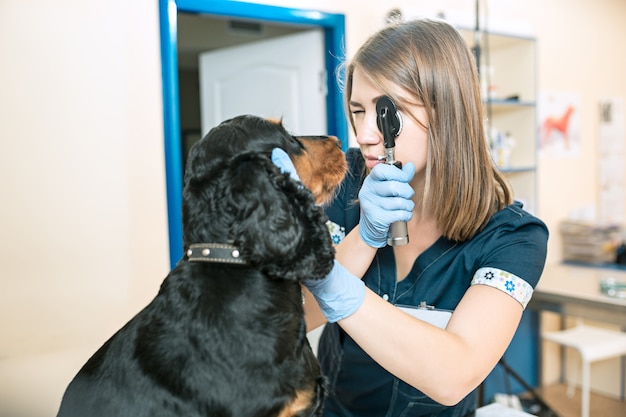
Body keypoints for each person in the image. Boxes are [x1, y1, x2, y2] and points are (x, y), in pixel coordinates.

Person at [274, 17, 548, 417]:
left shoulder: (514, 237)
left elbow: (454, 375)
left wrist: (335, 283)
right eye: (357, 110)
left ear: (444, 110)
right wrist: (363, 240)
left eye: (386, 111)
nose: (366, 133)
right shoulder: (347, 180)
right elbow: (290, 322)